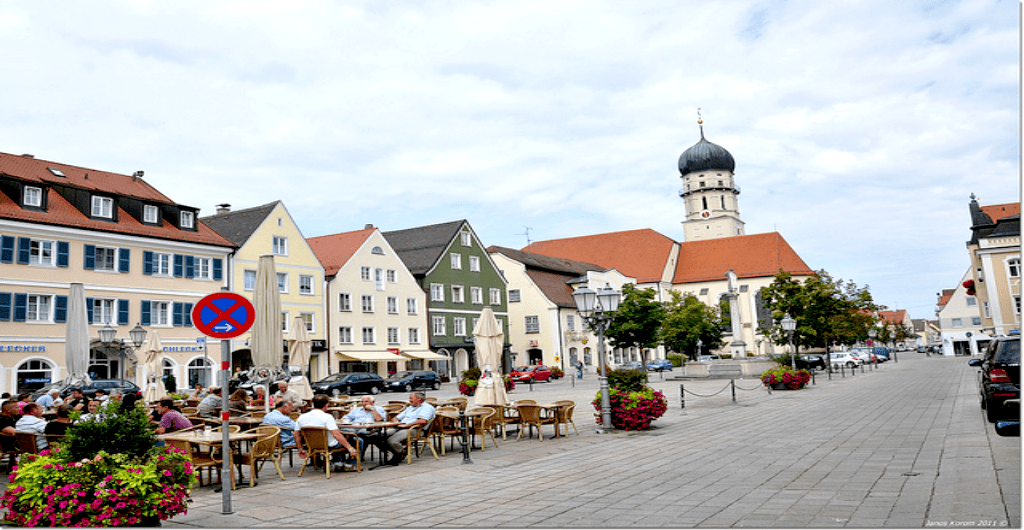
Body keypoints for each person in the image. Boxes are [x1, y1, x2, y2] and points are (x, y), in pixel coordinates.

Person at [296, 394, 358, 472]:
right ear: (326, 405)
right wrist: (350, 448)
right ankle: (349, 464)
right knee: (358, 440)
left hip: (311, 445)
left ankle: (338, 462)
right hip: (329, 445)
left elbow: (296, 434)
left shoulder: (302, 417)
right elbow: (336, 434)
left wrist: (300, 448)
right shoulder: (327, 417)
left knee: (339, 439)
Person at [370, 391, 435, 466]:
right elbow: (397, 417)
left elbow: (422, 421)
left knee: (391, 441)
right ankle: (398, 451)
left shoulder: (427, 408)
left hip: (415, 429)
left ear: (419, 399)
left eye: (411, 398)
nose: (409, 400)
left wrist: (406, 425)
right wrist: (396, 421)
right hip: (400, 427)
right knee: (375, 436)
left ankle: (400, 454)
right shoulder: (410, 407)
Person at [342, 396, 386, 462]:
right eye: (362, 401)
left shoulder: (379, 409)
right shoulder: (356, 410)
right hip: (354, 428)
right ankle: (341, 458)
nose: (364, 403)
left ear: (373, 402)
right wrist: (343, 419)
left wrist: (372, 410)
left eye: (366, 401)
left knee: (362, 434)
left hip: (369, 429)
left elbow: (379, 420)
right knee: (342, 433)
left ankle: (357, 456)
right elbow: (346, 417)